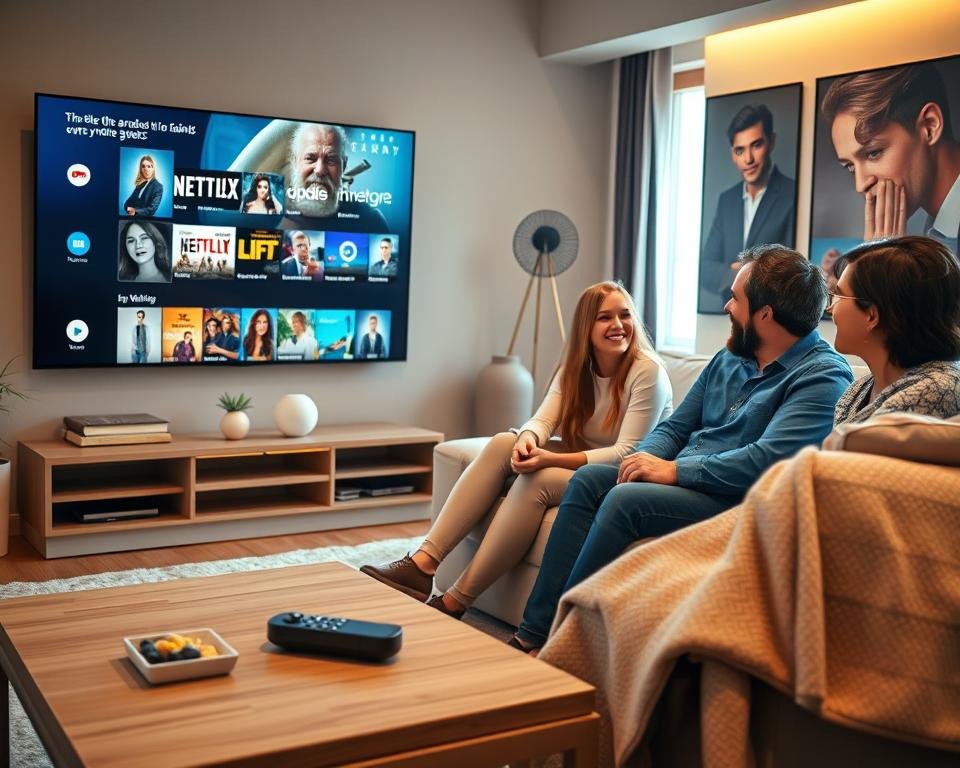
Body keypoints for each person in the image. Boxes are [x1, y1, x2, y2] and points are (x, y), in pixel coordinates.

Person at [510, 245, 854, 653]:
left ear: (765, 315)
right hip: (685, 480)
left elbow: (768, 462)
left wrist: (673, 472)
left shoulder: (823, 376)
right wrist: (647, 459)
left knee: (624, 501)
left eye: (736, 299)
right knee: (587, 481)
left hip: (736, 499)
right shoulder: (731, 356)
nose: (727, 305)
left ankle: (563, 642)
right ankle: (532, 632)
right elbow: (676, 428)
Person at [359, 281, 674, 618]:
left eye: (625, 315)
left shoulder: (647, 371)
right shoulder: (576, 368)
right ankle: (422, 565)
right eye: (604, 317)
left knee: (537, 479)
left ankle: (456, 600)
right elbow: (542, 420)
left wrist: (550, 457)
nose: (618, 325)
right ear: (586, 327)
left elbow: (625, 452)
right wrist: (527, 439)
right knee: (502, 443)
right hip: (584, 461)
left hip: (624, 475)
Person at [822, 62, 960, 246]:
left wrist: (881, 266)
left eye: (873, 153)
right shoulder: (937, 233)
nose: (861, 185)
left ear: (930, 126)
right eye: (850, 167)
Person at [828, 236, 960, 424]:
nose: (830, 308)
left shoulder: (935, 391)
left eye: (839, 295)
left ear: (871, 316)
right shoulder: (859, 389)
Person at [700, 105, 796, 312]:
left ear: (772, 142)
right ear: (732, 155)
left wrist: (741, 271)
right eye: (740, 150)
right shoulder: (726, 201)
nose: (748, 159)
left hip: (772, 319)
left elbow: (791, 273)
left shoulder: (792, 194)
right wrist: (730, 273)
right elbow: (704, 268)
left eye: (756, 145)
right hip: (728, 317)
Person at [230, 121, 389, 231]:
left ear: (344, 165)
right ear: (294, 162)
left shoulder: (370, 221)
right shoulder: (263, 204)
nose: (320, 170)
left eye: (331, 159)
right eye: (310, 158)